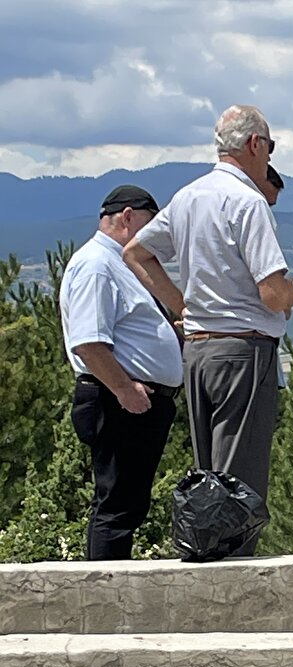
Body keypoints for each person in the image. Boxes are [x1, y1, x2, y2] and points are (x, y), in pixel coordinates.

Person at [123, 105, 293, 555]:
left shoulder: (188, 197)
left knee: (209, 481)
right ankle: (234, 583)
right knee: (238, 485)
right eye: (270, 146)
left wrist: (181, 305)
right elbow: (273, 295)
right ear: (255, 144)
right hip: (243, 352)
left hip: (197, 351)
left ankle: (206, 569)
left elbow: (136, 252)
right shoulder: (247, 201)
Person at [58, 185, 182, 560]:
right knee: (116, 508)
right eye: (148, 226)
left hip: (134, 401)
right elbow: (88, 342)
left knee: (126, 505)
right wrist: (125, 390)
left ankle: (113, 589)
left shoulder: (117, 263)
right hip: (120, 401)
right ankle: (105, 595)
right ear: (127, 217)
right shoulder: (97, 265)